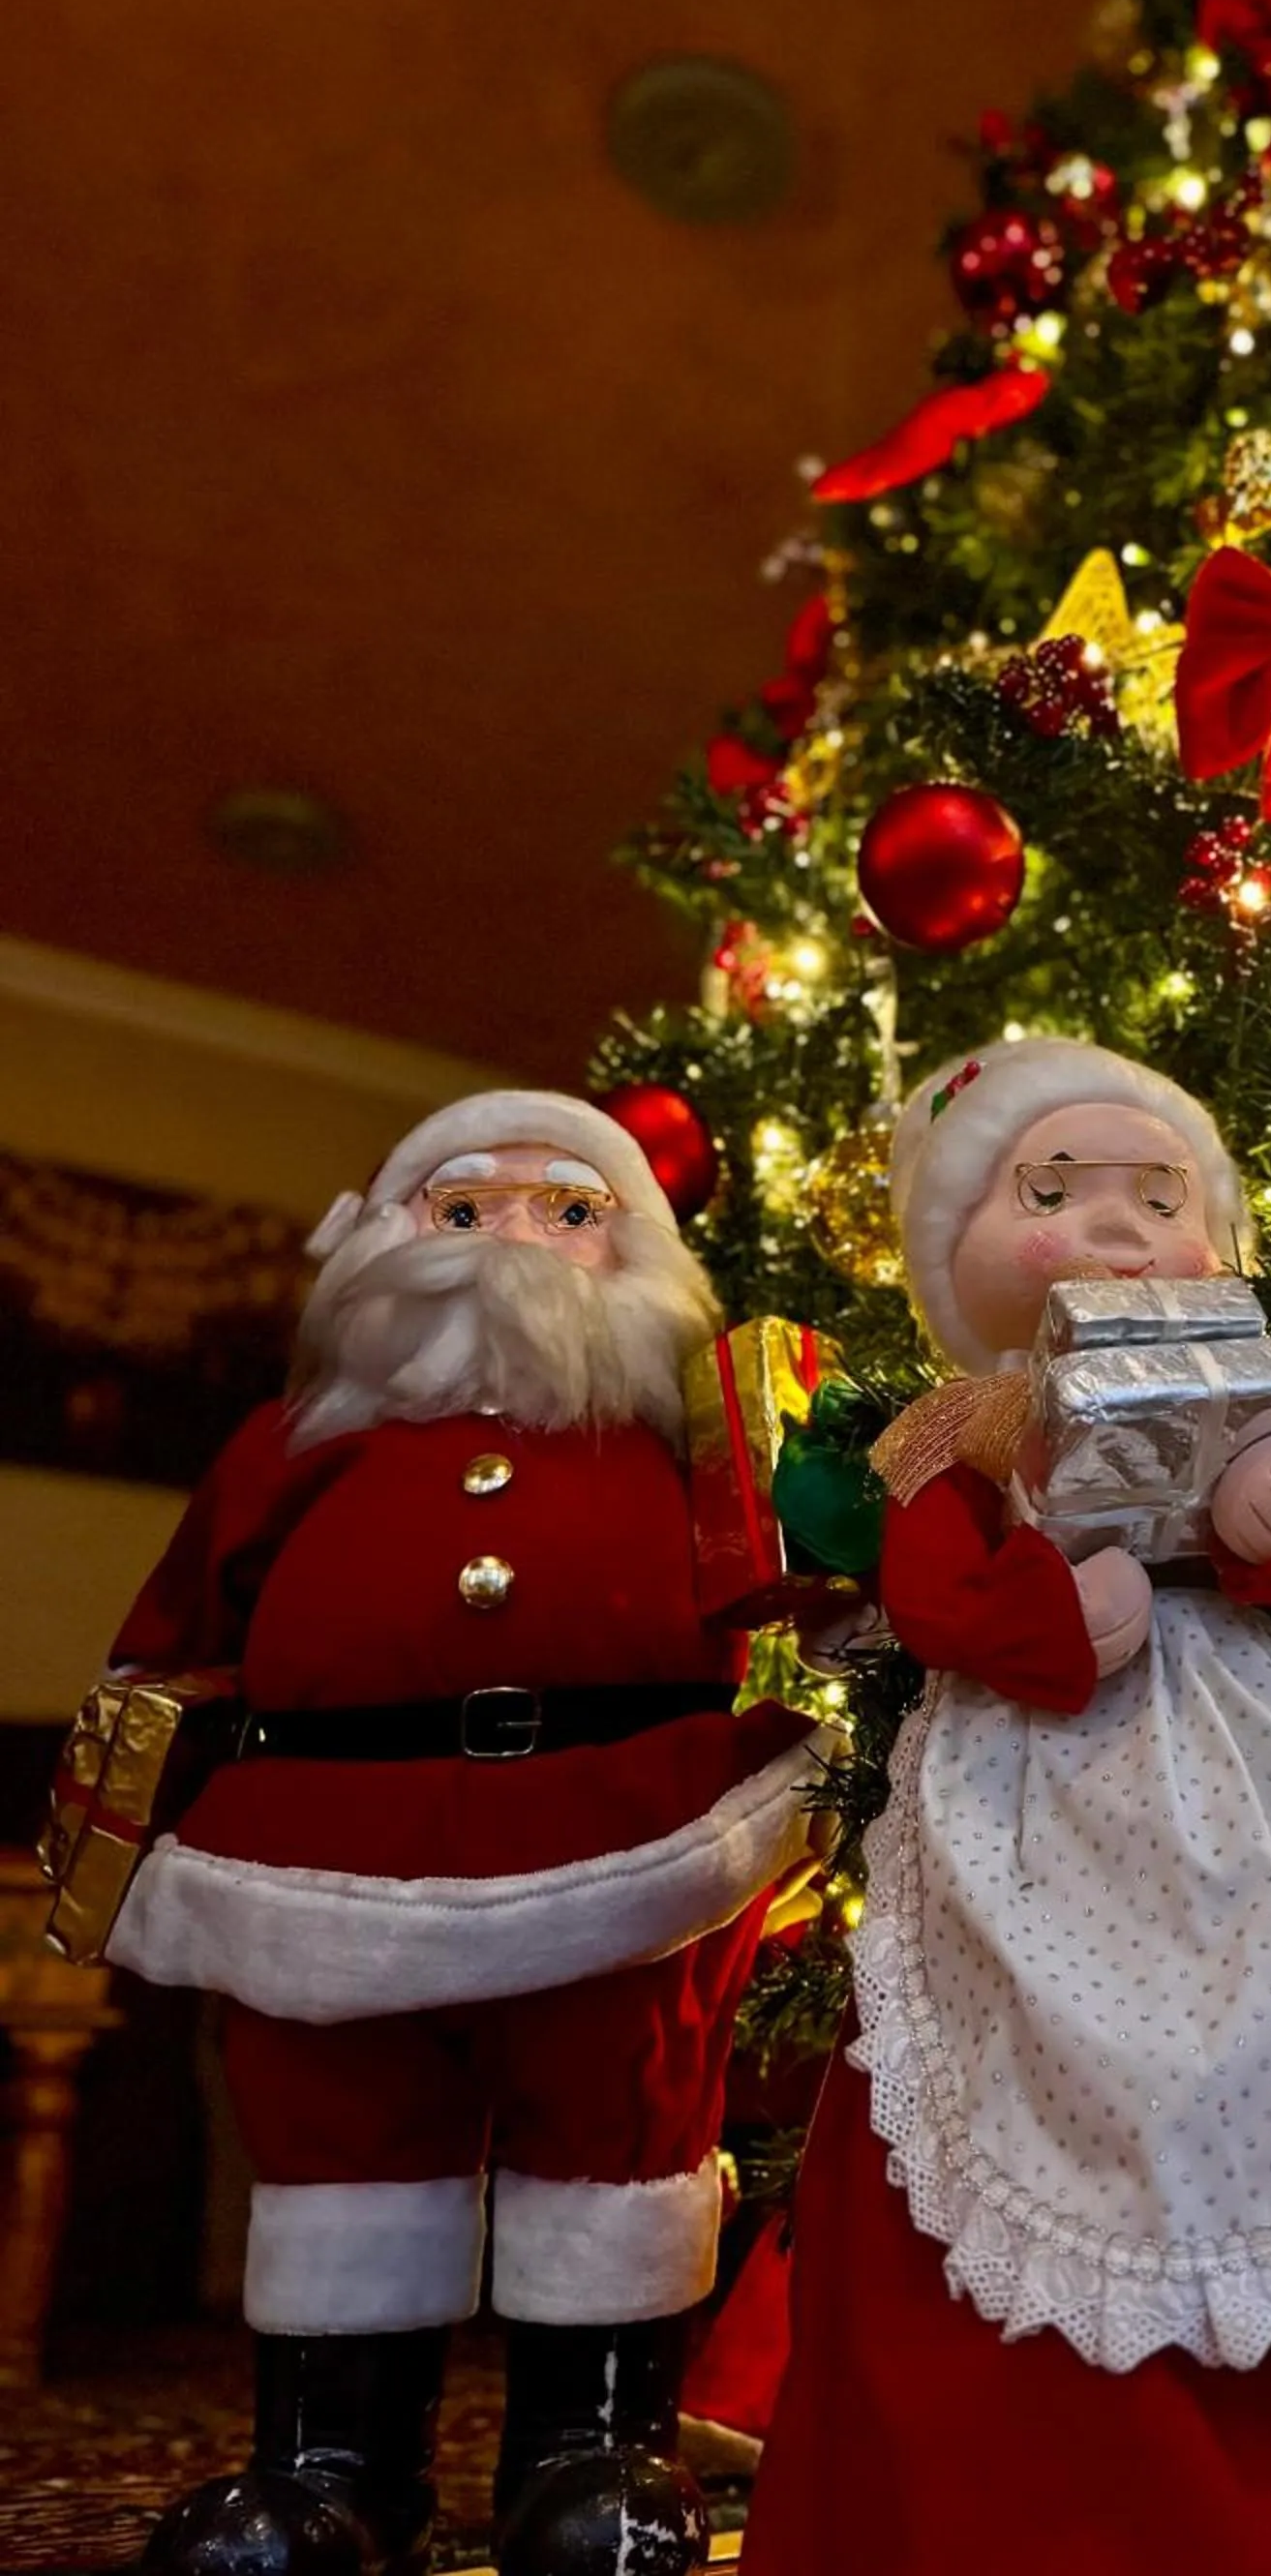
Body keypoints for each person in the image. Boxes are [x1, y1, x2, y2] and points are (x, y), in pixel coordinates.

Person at [741, 1035, 1271, 2575]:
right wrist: (1041, 1614)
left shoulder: (1253, 1382)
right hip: (1028, 1788)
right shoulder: (951, 1421)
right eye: (1054, 1192)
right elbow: (931, 1586)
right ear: (954, 1245)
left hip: (1246, 1787)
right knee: (1009, 2053)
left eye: (1155, 1194)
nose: (1114, 1224)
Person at [94, 1090, 834, 2576]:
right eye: (465, 1207)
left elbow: (803, 1603)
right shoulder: (290, 1440)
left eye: (568, 1211)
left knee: (614, 2141)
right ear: (385, 1242)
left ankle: (590, 2456)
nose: (514, 1237)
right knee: (339, 2154)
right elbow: (174, 1644)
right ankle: (327, 2473)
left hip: (624, 1843)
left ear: (636, 1256)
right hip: (323, 1848)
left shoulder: (704, 1443)